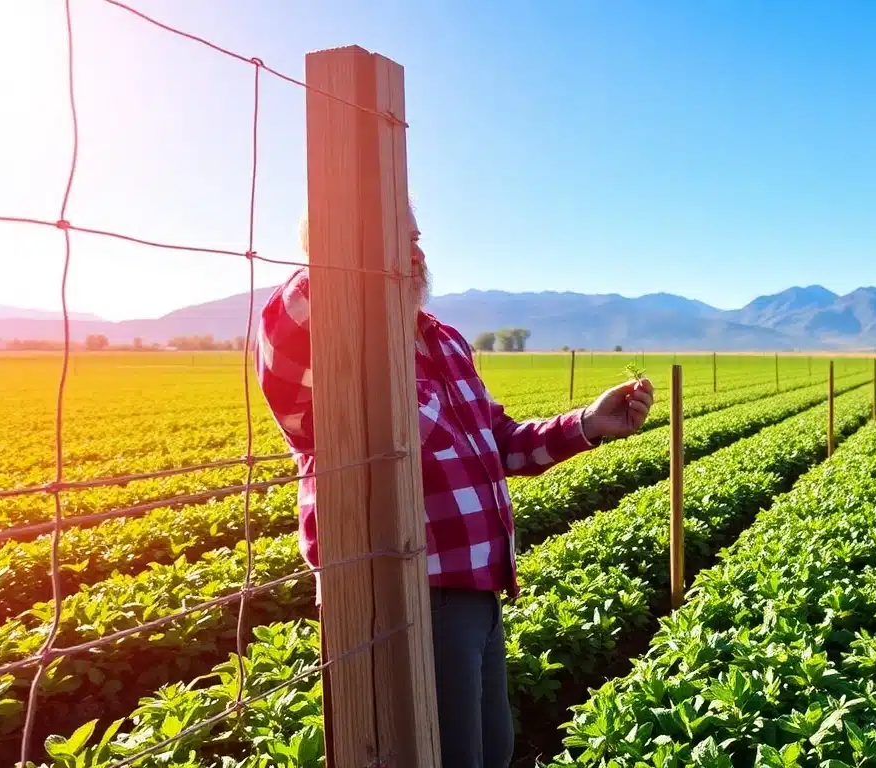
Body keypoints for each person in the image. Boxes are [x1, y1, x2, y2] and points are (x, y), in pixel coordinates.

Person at [254, 207, 654, 767]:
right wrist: (350, 236)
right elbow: (293, 324)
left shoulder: (442, 340)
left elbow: (500, 442)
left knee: (491, 752)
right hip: (399, 593)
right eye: (394, 235)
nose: (415, 251)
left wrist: (587, 423)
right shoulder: (324, 340)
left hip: (477, 588)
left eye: (416, 236)